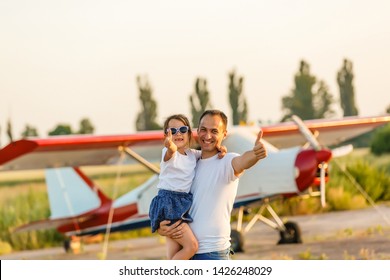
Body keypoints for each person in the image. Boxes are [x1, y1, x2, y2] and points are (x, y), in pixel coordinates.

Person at [157, 109, 267, 260]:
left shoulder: (227, 161)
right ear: (196, 131)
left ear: (224, 134)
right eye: (203, 130)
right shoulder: (189, 162)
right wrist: (161, 227)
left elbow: (243, 161)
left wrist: (255, 154)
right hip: (186, 253)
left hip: (212, 254)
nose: (207, 136)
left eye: (214, 131)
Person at [149, 114, 226, 260]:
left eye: (183, 129)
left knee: (173, 256)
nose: (178, 133)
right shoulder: (168, 153)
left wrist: (221, 148)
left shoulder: (192, 154)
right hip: (169, 203)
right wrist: (169, 144)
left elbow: (208, 152)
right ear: (166, 135)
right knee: (192, 247)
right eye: (172, 131)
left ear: (189, 134)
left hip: (180, 204)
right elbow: (171, 149)